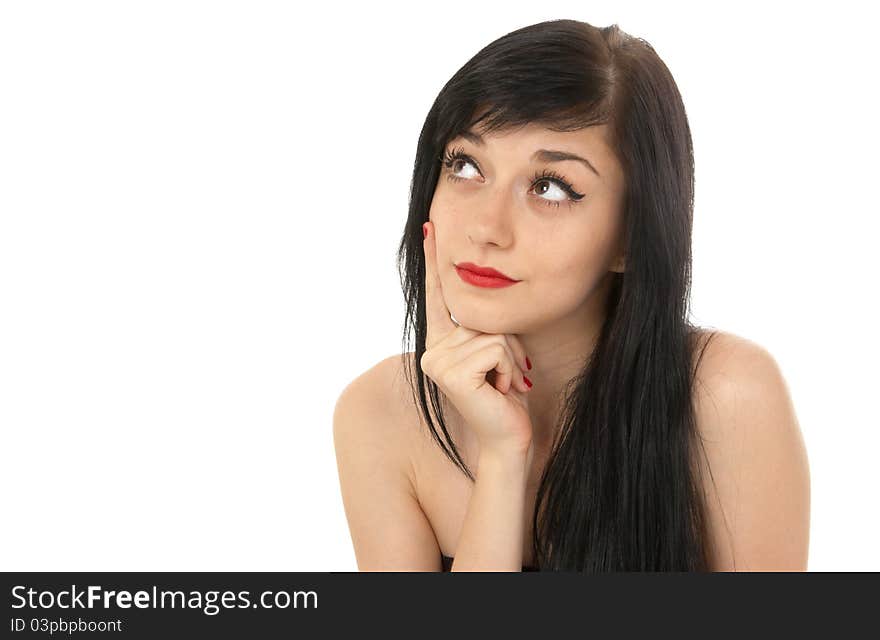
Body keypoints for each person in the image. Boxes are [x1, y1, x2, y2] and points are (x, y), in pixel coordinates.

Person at [333, 18, 810, 571]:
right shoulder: (381, 413)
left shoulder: (726, 397)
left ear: (632, 236)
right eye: (465, 165)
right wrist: (503, 461)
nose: (487, 228)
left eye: (550, 188)